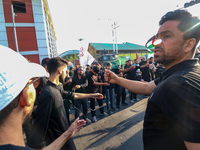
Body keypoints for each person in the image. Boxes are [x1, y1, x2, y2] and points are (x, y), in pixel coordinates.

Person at [104, 9, 200, 150]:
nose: (156, 44)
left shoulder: (180, 85)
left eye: (166, 36)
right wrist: (118, 80)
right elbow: (146, 87)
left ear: (188, 44)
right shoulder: (177, 74)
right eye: (157, 38)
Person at [0, 46, 86, 150]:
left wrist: (68, 133)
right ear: (25, 95)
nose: (36, 86)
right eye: (32, 82)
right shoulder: (49, 92)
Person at [29, 57, 104, 150]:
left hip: (66, 139)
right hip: (59, 144)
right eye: (65, 70)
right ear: (59, 71)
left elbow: (73, 95)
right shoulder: (48, 93)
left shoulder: (56, 88)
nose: (66, 73)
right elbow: (37, 132)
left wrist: (93, 95)